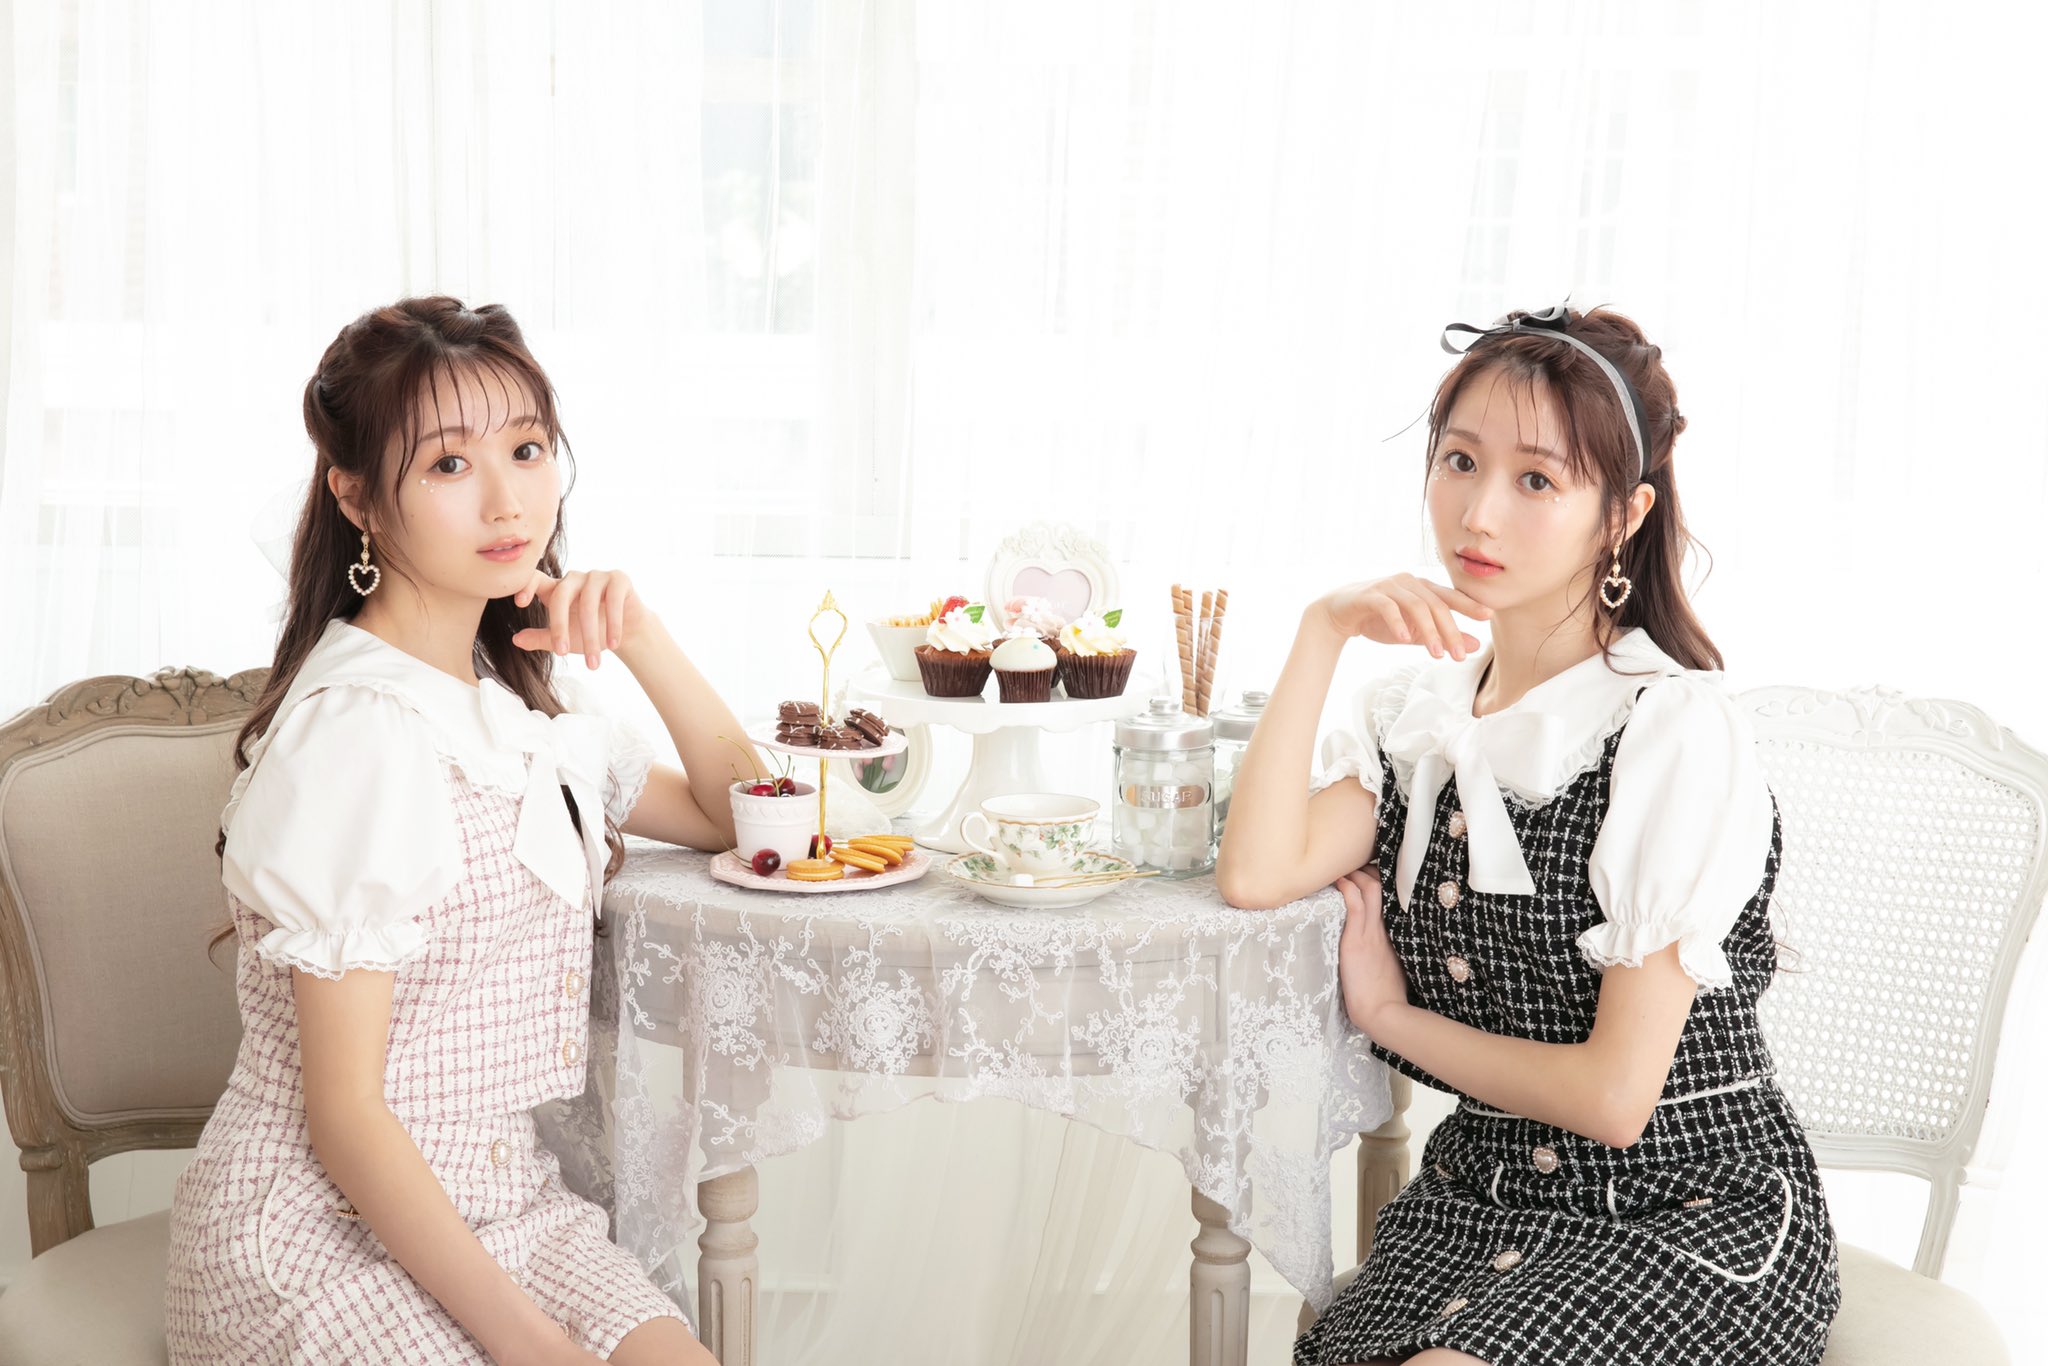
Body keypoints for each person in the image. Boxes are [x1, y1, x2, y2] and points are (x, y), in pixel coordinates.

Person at [1218, 304, 1841, 1365]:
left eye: (1537, 480)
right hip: (1480, 1204)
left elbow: (1613, 1099)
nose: (1479, 513)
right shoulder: (1419, 724)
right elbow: (1257, 871)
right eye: (1459, 461)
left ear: (1622, 515)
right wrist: (1322, 630)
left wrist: (1387, 1016)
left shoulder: (1669, 731)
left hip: (1685, 1216)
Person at [165, 296, 741, 1364]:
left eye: (527, 449)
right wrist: (534, 1347)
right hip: (314, 1234)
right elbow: (345, 1120)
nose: (507, 500)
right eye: (447, 465)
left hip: (505, 1207)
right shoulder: (356, 734)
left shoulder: (514, 707)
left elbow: (743, 817)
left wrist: (640, 634)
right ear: (356, 496)